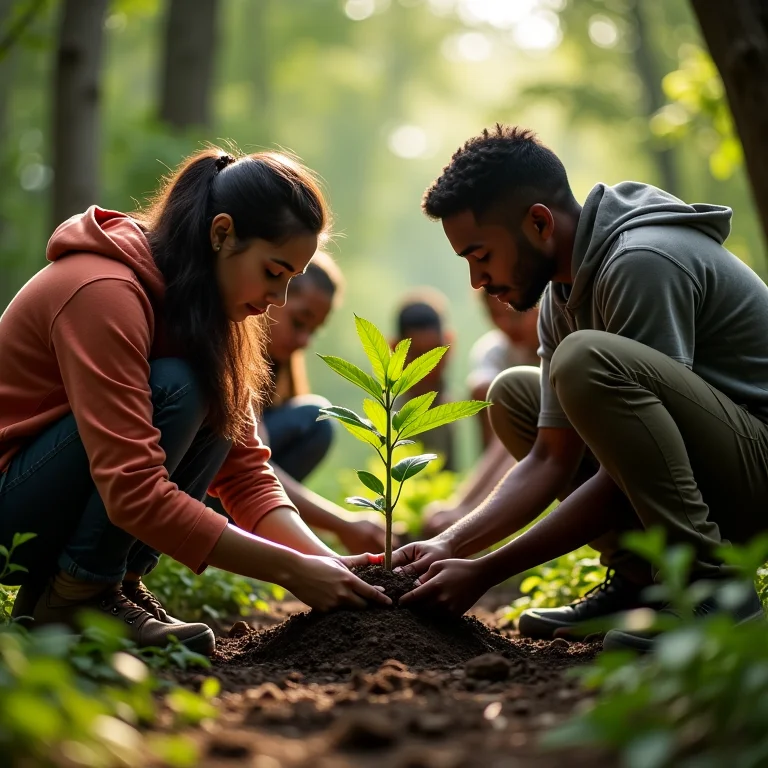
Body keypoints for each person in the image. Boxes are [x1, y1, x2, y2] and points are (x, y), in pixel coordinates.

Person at [393, 124, 768, 652]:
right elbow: (552, 457)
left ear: (540, 223)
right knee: (515, 398)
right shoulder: (559, 297)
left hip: (758, 465)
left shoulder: (642, 262)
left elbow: (636, 463)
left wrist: (484, 571)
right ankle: (643, 584)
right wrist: (450, 542)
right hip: (712, 469)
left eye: (480, 255)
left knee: (582, 361)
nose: (478, 281)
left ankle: (719, 596)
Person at [0, 147, 390, 655]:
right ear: (221, 233)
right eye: (274, 272)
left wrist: (325, 564)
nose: (280, 299)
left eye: (291, 280)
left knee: (208, 393)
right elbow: (133, 490)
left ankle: (102, 587)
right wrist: (291, 571)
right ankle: (77, 597)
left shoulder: (214, 316)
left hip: (46, 507)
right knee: (183, 387)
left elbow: (246, 473)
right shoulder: (102, 291)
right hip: (10, 507)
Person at [207, 250, 386, 554]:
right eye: (300, 322)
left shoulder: (275, 374)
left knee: (315, 420)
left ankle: (258, 531)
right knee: (315, 418)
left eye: (313, 331)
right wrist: (343, 524)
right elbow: (249, 467)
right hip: (203, 486)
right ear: (274, 298)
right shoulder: (227, 349)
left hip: (234, 489)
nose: (304, 341)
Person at [423, 291, 539, 535]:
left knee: (524, 417)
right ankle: (477, 499)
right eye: (495, 315)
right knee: (490, 393)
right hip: (511, 444)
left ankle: (477, 508)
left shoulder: (556, 338)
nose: (506, 325)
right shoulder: (495, 350)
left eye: (516, 316)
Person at [391, 289, 457, 472]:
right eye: (418, 356)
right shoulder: (392, 417)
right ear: (395, 348)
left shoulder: (457, 404)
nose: (428, 369)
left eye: (434, 355)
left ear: (450, 345)